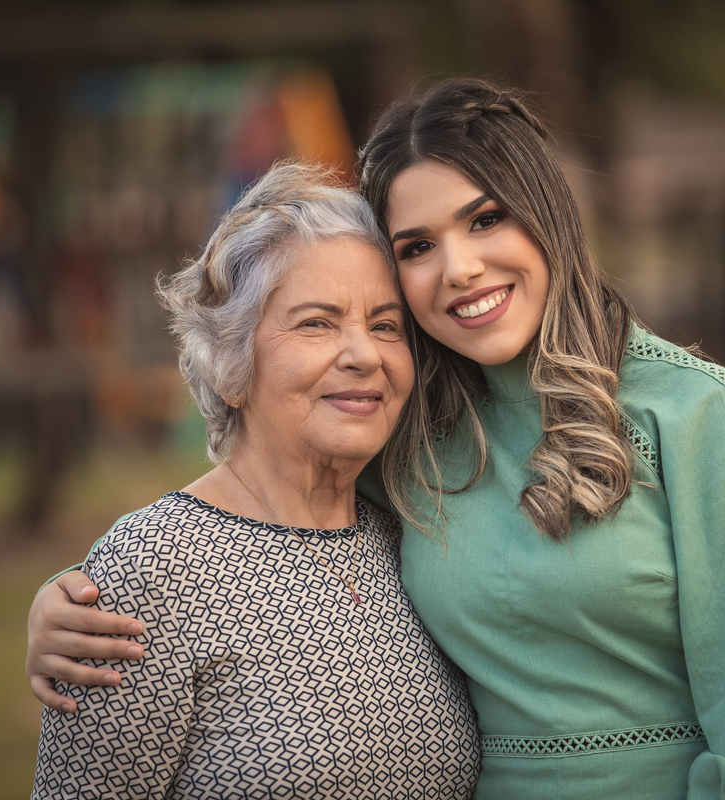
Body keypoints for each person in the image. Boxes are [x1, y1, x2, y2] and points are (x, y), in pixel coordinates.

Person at [28, 80, 725, 800]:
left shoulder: (696, 417)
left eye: (486, 220)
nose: (460, 270)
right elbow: (267, 485)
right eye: (416, 245)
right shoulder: (417, 437)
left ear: (546, 214)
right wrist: (86, 594)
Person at [28, 162, 480, 799]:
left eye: (385, 325)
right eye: (317, 322)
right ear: (230, 364)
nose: (364, 354)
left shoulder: (416, 533)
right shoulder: (151, 569)